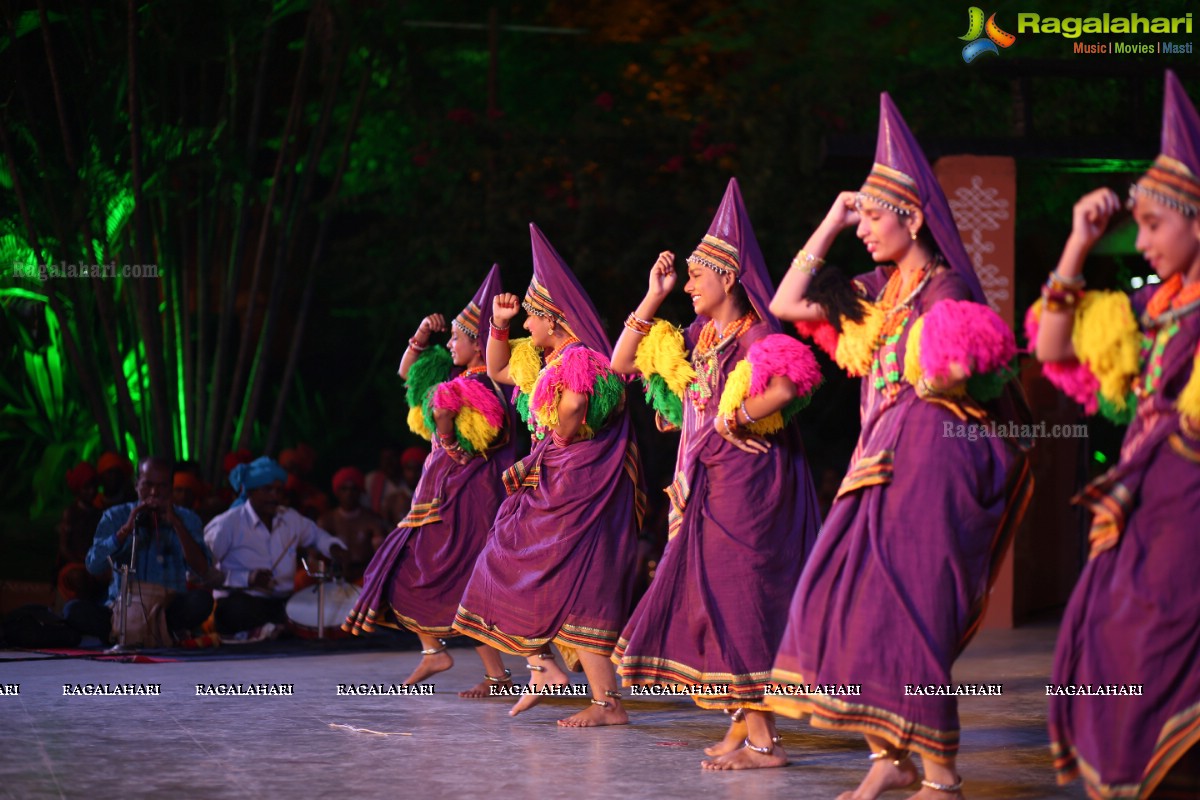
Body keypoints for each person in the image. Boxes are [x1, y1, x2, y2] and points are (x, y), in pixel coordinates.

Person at [766, 93, 1033, 799]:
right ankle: (892, 753)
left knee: (909, 610)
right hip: (875, 466)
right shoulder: (876, 293)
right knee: (854, 602)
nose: (865, 233)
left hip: (930, 467)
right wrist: (833, 217)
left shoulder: (946, 294)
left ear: (913, 218)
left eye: (874, 219)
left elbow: (968, 380)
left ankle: (940, 774)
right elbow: (788, 305)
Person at [610, 178, 823, 769]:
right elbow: (621, 364)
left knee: (737, 599)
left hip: (747, 487)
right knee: (712, 598)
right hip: (702, 485)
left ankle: (763, 741)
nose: (691, 286)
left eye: (698, 275)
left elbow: (788, 383)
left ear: (729, 277)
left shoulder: (756, 333)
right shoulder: (702, 336)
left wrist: (733, 416)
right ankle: (741, 724)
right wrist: (654, 296)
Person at [1031, 70, 1200, 800]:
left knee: (1161, 644)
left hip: (1187, 498)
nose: (1144, 240)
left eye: (1156, 225)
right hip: (1143, 500)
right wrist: (1078, 243)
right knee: (1113, 634)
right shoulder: (1149, 304)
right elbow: (1054, 349)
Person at [453, 224, 645, 727]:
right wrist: (498, 323)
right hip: (553, 483)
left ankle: (588, 693)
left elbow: (578, 403)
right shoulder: (549, 361)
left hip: (567, 483)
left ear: (553, 318)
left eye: (532, 317)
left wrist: (558, 439)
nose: (528, 325)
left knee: (524, 570)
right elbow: (497, 371)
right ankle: (561, 678)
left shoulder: (577, 358)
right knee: (538, 575)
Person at [344, 265, 517, 693]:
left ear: (479, 344)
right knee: (451, 581)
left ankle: (458, 659)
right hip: (437, 497)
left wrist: (447, 434)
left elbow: (485, 438)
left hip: (465, 498)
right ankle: (477, 669)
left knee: (425, 572)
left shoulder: (492, 385)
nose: (449, 343)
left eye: (456, 337)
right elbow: (408, 373)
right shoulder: (453, 377)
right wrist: (421, 334)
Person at [204, 456, 349, 640]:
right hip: (242, 602)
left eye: (279, 491)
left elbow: (317, 536)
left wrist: (334, 547)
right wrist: (248, 579)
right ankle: (266, 632)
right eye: (267, 490)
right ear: (250, 492)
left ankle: (272, 631)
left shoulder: (290, 518)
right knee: (237, 610)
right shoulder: (227, 524)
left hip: (282, 603)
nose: (274, 496)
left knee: (313, 608)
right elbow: (202, 570)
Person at [71, 457, 214, 643]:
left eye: (162, 486)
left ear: (171, 488)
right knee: (73, 610)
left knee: (202, 602)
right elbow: (92, 565)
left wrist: (176, 524)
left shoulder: (187, 518)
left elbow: (203, 571)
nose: (154, 493)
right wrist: (124, 531)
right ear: (136, 484)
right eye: (147, 485)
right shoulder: (115, 515)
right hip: (122, 608)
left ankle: (150, 633)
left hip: (166, 609)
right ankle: (127, 632)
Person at [318, 467, 388, 583]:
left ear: (360, 491)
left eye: (353, 489)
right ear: (337, 492)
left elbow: (382, 557)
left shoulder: (372, 520)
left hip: (364, 579)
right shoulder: (326, 521)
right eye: (344, 489)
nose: (349, 493)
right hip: (333, 578)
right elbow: (313, 558)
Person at [56, 461, 105, 603]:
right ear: (78, 489)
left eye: (94, 486)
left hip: (94, 563)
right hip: (74, 564)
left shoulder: (100, 514)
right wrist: (83, 561)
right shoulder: (70, 513)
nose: (91, 491)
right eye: (86, 487)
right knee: (79, 578)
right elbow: (63, 548)